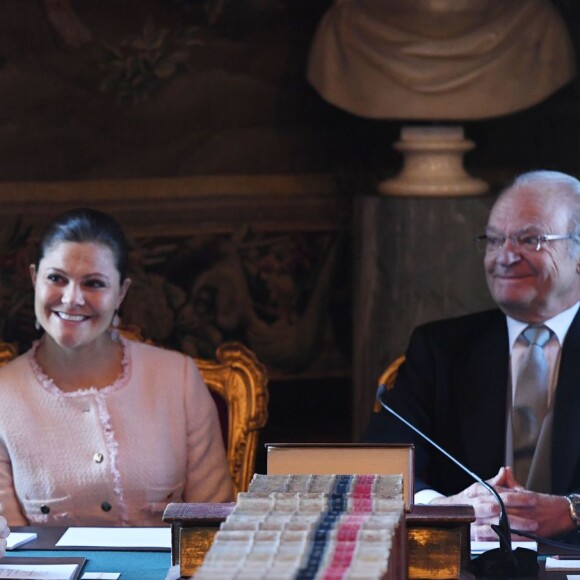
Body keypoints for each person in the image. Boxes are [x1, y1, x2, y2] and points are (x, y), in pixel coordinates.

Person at [365, 170, 580, 540]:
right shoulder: (440, 349)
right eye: (494, 240)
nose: (505, 257)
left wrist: (574, 511)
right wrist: (444, 509)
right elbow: (379, 463)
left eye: (530, 239)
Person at [0, 208, 233, 526]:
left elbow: (213, 526)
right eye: (56, 278)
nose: (71, 299)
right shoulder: (3, 393)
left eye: (94, 283)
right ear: (33, 279)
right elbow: (8, 548)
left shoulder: (178, 379)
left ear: (121, 293)